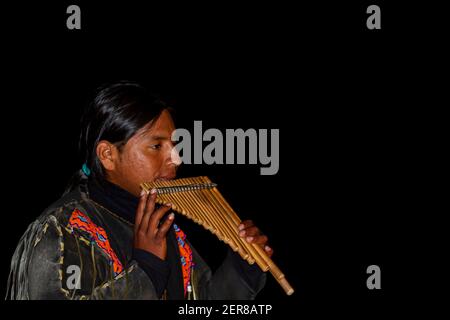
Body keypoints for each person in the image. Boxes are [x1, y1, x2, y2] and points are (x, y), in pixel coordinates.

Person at [6, 81, 273, 300]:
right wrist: (146, 271)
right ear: (108, 155)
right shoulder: (60, 231)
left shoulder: (161, 226)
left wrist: (241, 268)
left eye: (175, 146)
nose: (177, 159)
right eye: (157, 146)